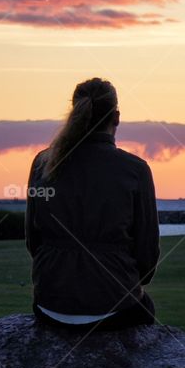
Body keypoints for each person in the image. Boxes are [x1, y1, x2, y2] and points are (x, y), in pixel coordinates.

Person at [25, 78, 159, 330]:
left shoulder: (43, 163)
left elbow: (33, 240)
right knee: (146, 310)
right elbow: (147, 252)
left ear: (74, 113)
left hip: (49, 304)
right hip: (113, 306)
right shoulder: (135, 170)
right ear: (116, 117)